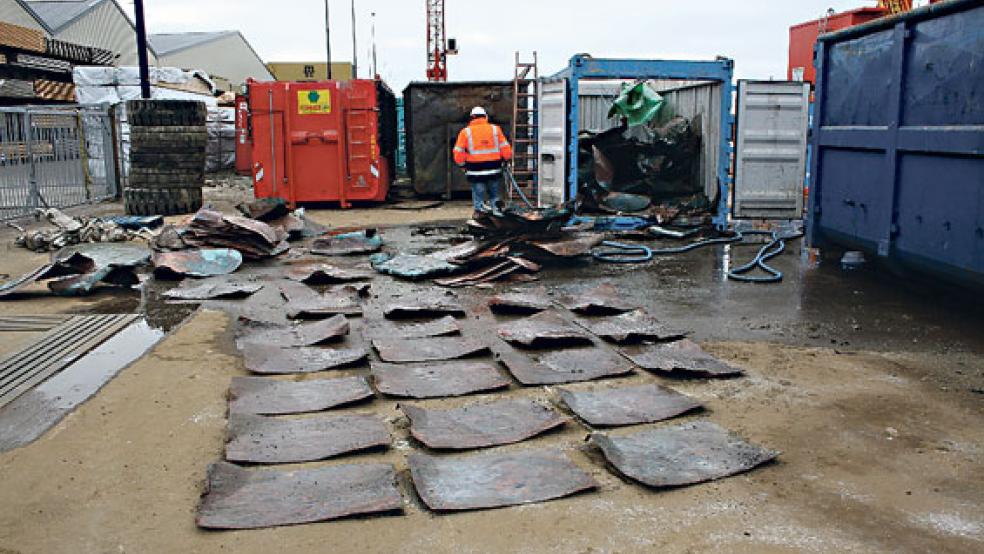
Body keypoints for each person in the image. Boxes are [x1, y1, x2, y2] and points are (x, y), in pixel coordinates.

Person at [453, 106, 513, 218]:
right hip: (494, 169)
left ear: (472, 117)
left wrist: (462, 165)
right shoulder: (495, 129)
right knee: (495, 194)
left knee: (478, 193)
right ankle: (497, 214)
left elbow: (458, 152)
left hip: (475, 171)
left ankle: (479, 214)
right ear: (485, 117)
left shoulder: (465, 132)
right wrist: (506, 159)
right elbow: (505, 148)